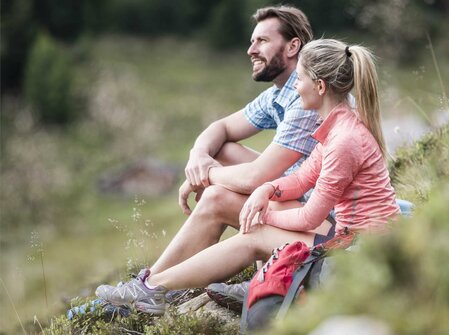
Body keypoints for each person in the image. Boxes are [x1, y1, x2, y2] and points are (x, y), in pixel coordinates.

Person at [95, 38, 400, 316]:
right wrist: (266, 189)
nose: (296, 87)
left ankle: (151, 289)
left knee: (253, 235)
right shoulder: (338, 128)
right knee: (255, 223)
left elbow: (310, 216)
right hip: (346, 234)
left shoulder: (344, 138)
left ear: (320, 87)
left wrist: (263, 213)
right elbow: (302, 179)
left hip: (359, 243)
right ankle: (151, 287)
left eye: (302, 80)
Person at [94, 5, 328, 315]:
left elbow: (256, 177)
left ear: (292, 46)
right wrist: (197, 158)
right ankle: (150, 286)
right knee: (221, 150)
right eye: (251, 41)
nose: (250, 50)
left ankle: (153, 288)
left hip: (320, 218)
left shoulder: (305, 98)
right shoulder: (278, 94)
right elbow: (221, 128)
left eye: (261, 41)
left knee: (217, 195)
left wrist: (205, 176)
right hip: (305, 201)